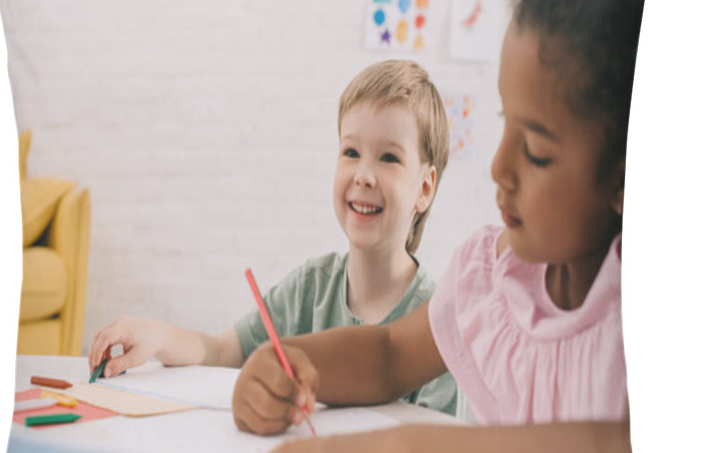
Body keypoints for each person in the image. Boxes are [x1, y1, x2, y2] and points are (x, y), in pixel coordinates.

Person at [235, 0, 656, 453]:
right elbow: (387, 356)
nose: (498, 166)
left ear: (627, 174)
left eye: (535, 150)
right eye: (505, 122)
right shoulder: (493, 280)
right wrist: (290, 364)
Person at [88, 60, 462, 416]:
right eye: (351, 152)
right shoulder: (309, 289)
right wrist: (159, 336)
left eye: (389, 158)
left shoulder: (436, 324)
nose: (364, 174)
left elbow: (436, 451)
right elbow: (222, 351)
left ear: (424, 188)